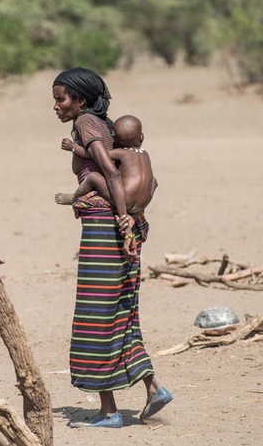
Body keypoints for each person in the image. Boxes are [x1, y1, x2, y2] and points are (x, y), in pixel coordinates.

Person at [51, 67, 172, 429]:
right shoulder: (99, 123)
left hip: (106, 229)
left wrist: (122, 218)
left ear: (81, 100)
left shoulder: (87, 124)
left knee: (96, 316)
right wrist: (132, 219)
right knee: (120, 312)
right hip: (117, 225)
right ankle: (152, 387)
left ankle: (109, 412)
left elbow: (112, 174)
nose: (56, 106)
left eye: (61, 99)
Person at [54, 114, 158, 260]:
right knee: (153, 180)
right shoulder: (145, 155)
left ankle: (74, 197)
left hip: (124, 198)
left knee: (93, 177)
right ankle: (134, 214)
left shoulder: (122, 153)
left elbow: (96, 155)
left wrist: (73, 147)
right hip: (143, 201)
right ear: (142, 137)